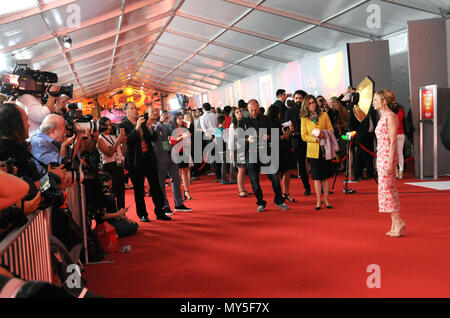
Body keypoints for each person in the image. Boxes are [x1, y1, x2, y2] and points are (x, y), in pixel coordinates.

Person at [117, 102, 170, 222]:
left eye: (135, 108)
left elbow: (152, 138)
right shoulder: (122, 125)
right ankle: (142, 214)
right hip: (135, 160)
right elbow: (127, 141)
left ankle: (160, 211)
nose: (135, 110)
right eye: (131, 108)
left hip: (148, 157)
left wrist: (151, 130)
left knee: (155, 186)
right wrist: (136, 128)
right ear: (125, 112)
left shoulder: (143, 122)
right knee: (139, 189)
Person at [237, 99, 288, 212]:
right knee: (254, 181)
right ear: (247, 109)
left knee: (275, 177)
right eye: (251, 110)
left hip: (266, 152)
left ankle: (279, 200)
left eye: (255, 110)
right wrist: (247, 139)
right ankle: (260, 202)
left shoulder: (266, 119)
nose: (254, 112)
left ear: (259, 108)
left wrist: (268, 137)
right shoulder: (242, 122)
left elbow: (274, 134)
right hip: (250, 154)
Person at [147, 108, 191, 214]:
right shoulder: (147, 125)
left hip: (170, 154)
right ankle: (165, 206)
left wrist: (171, 120)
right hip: (158, 157)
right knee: (161, 183)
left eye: (156, 111)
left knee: (176, 179)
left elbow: (172, 134)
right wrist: (160, 122)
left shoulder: (165, 125)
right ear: (147, 114)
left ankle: (179, 203)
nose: (155, 113)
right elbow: (152, 137)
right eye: (152, 111)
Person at [373, 90, 405, 237]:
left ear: (384, 101)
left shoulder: (391, 117)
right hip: (381, 157)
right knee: (386, 191)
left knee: (388, 191)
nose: (373, 102)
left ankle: (398, 222)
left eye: (376, 99)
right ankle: (395, 222)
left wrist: (391, 163)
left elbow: (393, 142)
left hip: (387, 157)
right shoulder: (382, 117)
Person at [301, 95, 334, 210]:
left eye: (313, 102)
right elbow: (303, 136)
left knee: (325, 176)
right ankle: (319, 200)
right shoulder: (304, 118)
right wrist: (314, 139)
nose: (312, 105)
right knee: (316, 177)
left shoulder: (324, 115)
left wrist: (323, 134)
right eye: (309, 103)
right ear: (306, 105)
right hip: (312, 151)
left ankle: (326, 199)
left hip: (325, 149)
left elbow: (331, 129)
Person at [266, 105, 296, 202]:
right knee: (278, 174)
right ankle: (278, 195)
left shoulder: (278, 123)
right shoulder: (270, 124)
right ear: (276, 113)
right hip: (276, 151)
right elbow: (274, 139)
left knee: (287, 172)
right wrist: (284, 136)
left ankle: (286, 193)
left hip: (284, 150)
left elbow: (284, 137)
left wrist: (286, 136)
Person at [96, 117, 127, 210]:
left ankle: (122, 214)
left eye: (110, 125)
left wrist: (124, 143)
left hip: (118, 166)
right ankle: (113, 215)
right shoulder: (100, 139)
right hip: (108, 167)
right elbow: (109, 153)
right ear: (102, 126)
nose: (109, 127)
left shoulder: (113, 136)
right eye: (107, 125)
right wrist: (118, 140)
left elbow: (121, 152)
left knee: (121, 192)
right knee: (111, 193)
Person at [169, 112, 194, 201]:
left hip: (185, 151)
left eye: (182, 118)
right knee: (178, 174)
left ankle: (187, 191)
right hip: (176, 152)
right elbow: (171, 142)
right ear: (175, 120)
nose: (181, 120)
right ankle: (179, 193)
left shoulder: (184, 128)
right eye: (179, 118)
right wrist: (182, 137)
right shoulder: (172, 129)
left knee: (186, 172)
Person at [292, 90, 311, 195]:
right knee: (302, 166)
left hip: (310, 140)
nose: (298, 100)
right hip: (297, 142)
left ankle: (321, 186)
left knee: (315, 163)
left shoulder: (309, 111)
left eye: (300, 98)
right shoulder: (289, 112)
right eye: (296, 98)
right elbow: (286, 125)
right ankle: (307, 187)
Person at [228, 108, 249, 197]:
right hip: (238, 149)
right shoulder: (233, 125)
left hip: (246, 148)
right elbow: (231, 139)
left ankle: (243, 188)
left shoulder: (245, 122)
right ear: (234, 115)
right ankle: (241, 190)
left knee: (244, 170)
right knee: (241, 170)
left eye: (240, 111)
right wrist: (231, 151)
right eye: (237, 112)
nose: (239, 113)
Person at [199, 103, 221, 182]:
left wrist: (212, 138)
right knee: (219, 155)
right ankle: (221, 175)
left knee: (213, 156)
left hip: (209, 137)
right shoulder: (215, 115)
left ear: (203, 108)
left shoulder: (202, 117)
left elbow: (204, 129)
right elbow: (219, 126)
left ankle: (218, 176)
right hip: (217, 135)